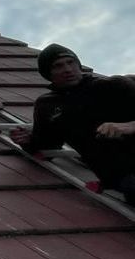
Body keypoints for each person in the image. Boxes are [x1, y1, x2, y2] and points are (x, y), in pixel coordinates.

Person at [10, 44, 135, 204]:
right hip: (120, 175)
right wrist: (27, 141)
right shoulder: (48, 105)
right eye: (58, 66)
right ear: (48, 73)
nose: (68, 69)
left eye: (71, 62)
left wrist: (131, 126)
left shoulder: (113, 86)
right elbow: (46, 144)